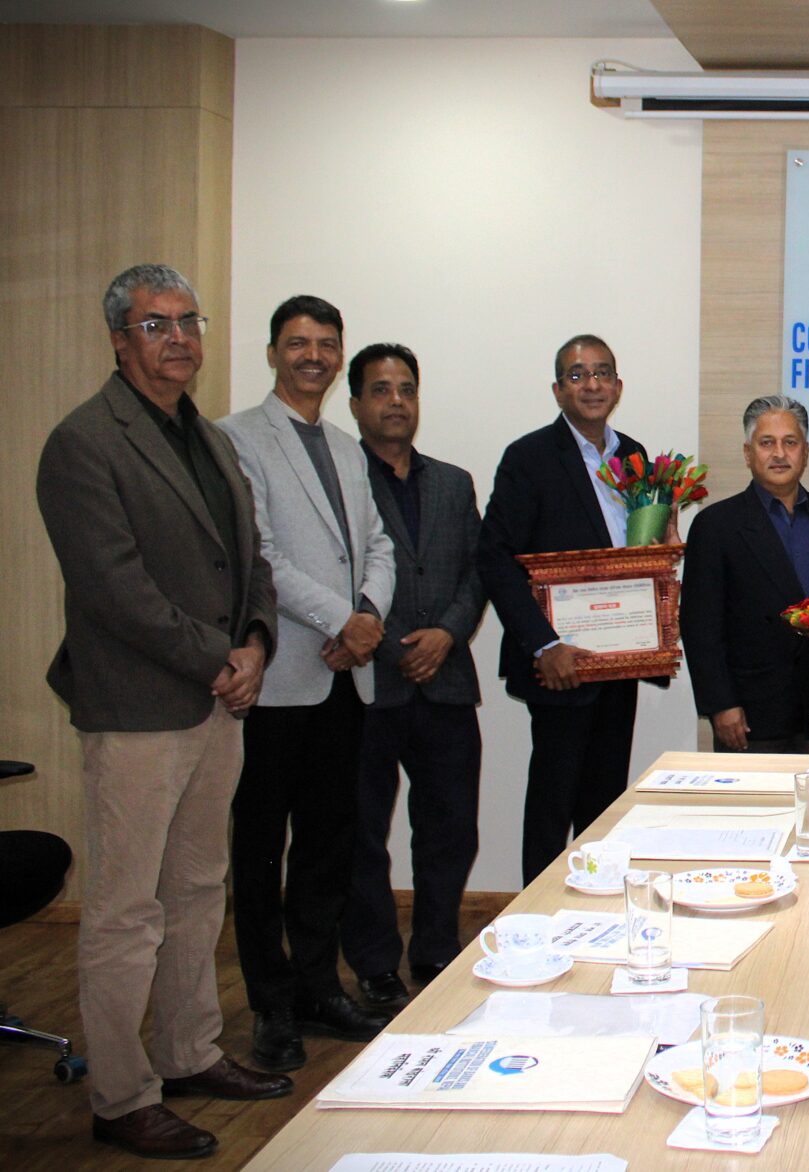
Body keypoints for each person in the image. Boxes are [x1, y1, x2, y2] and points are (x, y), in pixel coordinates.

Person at [39, 264, 287, 1159]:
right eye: (155, 325)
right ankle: (121, 1095)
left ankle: (188, 1053)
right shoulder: (83, 443)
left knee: (196, 890)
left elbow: (250, 559)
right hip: (139, 710)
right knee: (124, 910)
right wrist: (218, 659)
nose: (178, 339)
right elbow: (114, 589)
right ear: (118, 339)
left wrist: (255, 641)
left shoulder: (208, 439)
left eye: (188, 322)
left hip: (218, 701)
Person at [219, 295, 396, 1072]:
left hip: (343, 679)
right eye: (298, 343)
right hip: (280, 676)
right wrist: (339, 619)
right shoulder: (237, 438)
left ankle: (320, 987)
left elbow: (378, 544)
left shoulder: (347, 448)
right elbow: (258, 553)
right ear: (273, 353)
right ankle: (272, 1003)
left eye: (327, 343)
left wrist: (368, 615)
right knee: (261, 847)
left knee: (328, 844)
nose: (314, 356)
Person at [477, 334, 658, 883]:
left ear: (618, 386)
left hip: (618, 659)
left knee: (605, 803)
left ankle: (596, 902)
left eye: (602, 373)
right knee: (552, 803)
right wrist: (544, 644)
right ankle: (540, 910)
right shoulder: (529, 458)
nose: (592, 385)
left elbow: (634, 551)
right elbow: (495, 556)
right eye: (578, 375)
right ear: (558, 390)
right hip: (561, 662)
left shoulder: (634, 455)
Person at [339, 343, 487, 1009]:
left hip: (446, 680)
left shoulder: (453, 483)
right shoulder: (342, 480)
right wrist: (394, 642)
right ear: (355, 404)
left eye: (406, 389)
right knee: (362, 835)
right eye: (380, 389)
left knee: (450, 829)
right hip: (370, 684)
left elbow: (478, 570)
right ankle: (375, 964)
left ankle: (435, 950)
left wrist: (448, 632)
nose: (395, 401)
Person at [682, 394, 809, 751]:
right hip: (749, 711)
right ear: (747, 452)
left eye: (790, 442)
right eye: (767, 443)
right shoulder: (716, 525)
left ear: (805, 452)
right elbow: (700, 626)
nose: (779, 454)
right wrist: (720, 704)